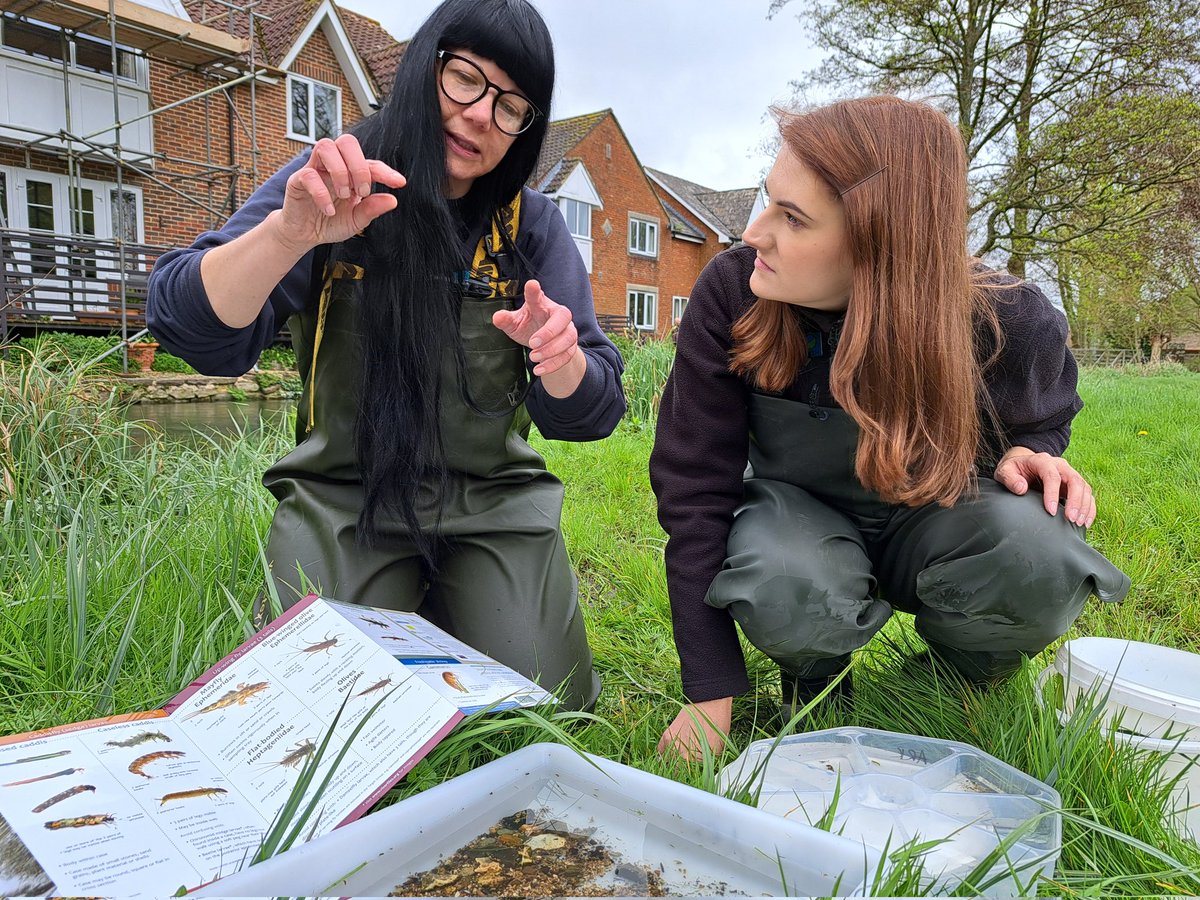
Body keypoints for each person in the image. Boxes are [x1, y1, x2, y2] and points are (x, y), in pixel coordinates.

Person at [146, 0, 626, 711]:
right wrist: (290, 234)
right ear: (424, 67)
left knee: (549, 707)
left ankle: (455, 604)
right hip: (345, 497)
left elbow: (592, 413)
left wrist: (562, 359)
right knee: (298, 712)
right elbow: (191, 328)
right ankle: (397, 603)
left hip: (493, 505)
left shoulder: (535, 223)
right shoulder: (335, 179)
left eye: (512, 106)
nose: (479, 116)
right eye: (465, 79)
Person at [649, 96, 1130, 758]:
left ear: (882, 243)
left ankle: (956, 683)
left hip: (933, 519)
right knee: (778, 575)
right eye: (770, 199)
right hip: (802, 520)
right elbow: (695, 492)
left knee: (1039, 550)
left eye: (792, 218)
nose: (754, 233)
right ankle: (817, 680)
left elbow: (1043, 419)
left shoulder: (1009, 319)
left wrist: (1032, 451)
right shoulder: (735, 295)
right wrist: (708, 693)